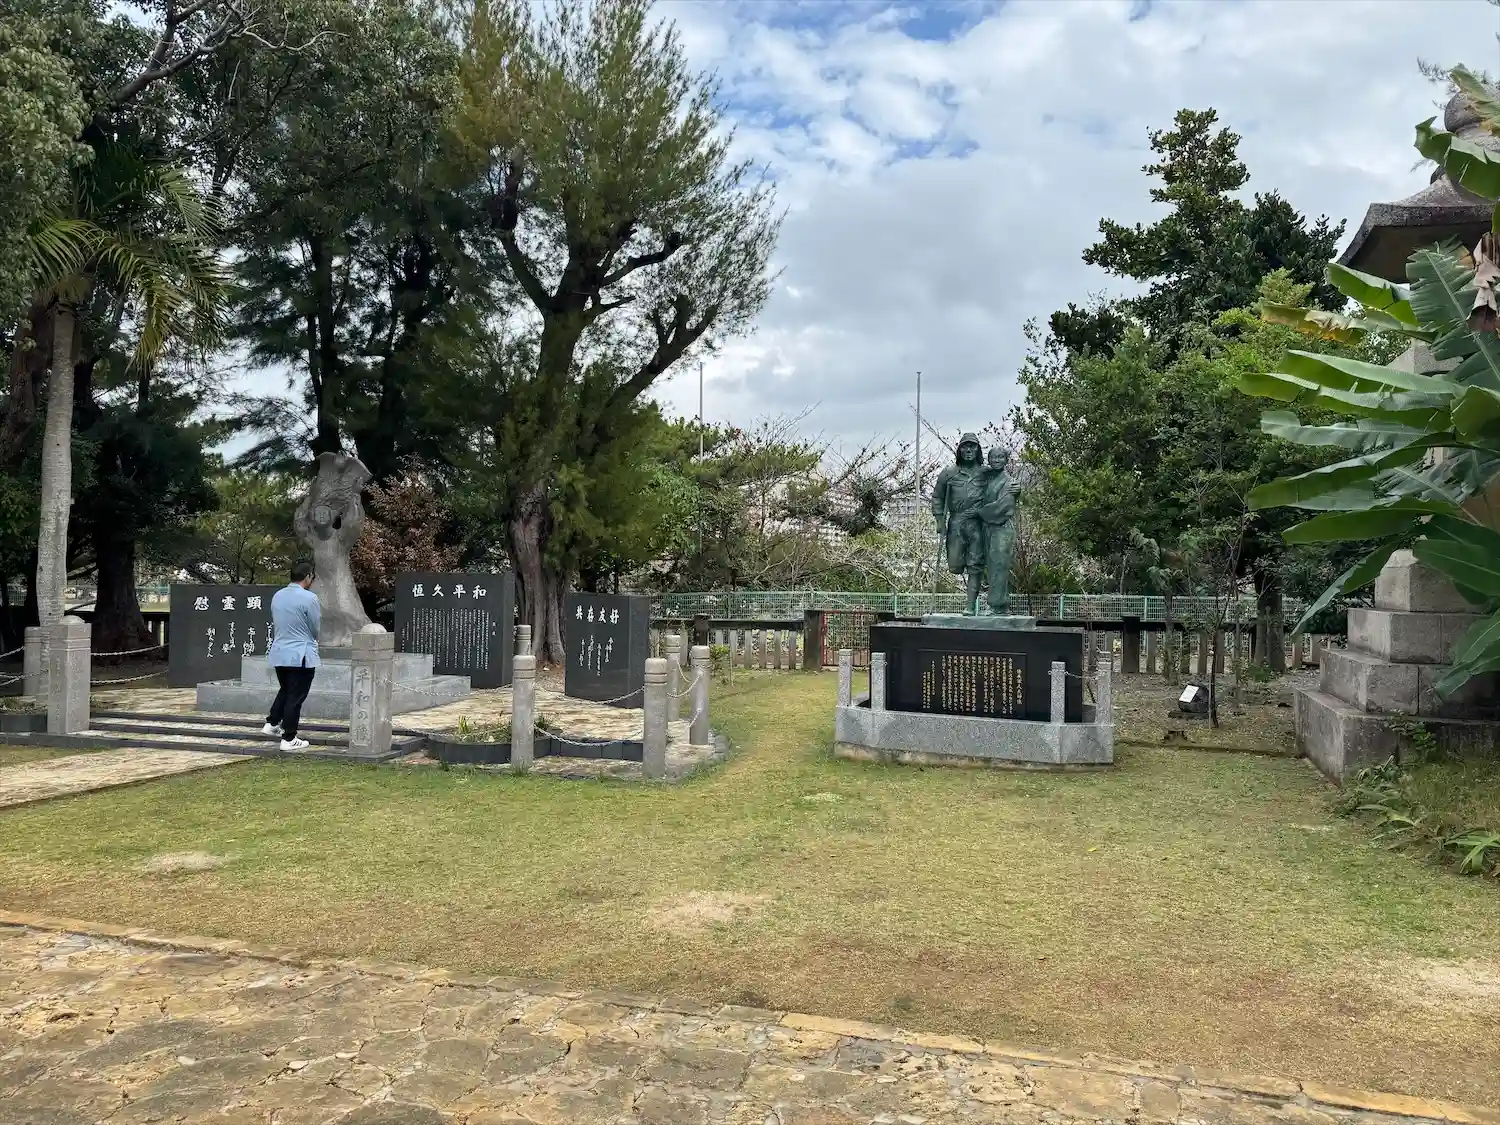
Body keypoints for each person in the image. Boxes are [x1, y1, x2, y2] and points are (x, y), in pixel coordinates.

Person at [264, 559, 321, 752]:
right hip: (301, 653)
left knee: (287, 690)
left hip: (280, 651)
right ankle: (289, 738)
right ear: (308, 577)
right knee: (295, 697)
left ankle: (272, 723)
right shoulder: (309, 598)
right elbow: (315, 627)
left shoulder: (278, 595)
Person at [930, 432, 989, 614]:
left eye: (972, 446)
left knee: (975, 566)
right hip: (956, 523)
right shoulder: (949, 473)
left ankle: (970, 606)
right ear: (959, 450)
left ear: (978, 450)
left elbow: (1002, 486)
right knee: (955, 566)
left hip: (978, 523)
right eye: (965, 446)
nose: (968, 450)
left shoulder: (986, 473)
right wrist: (939, 520)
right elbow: (937, 497)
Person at [977, 445, 1020, 614]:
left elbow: (1003, 507)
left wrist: (978, 512)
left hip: (1002, 527)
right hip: (987, 527)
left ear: (1006, 460)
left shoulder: (1010, 482)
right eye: (993, 457)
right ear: (988, 460)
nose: (996, 460)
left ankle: (997, 605)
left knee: (999, 564)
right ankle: (1000, 605)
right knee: (990, 565)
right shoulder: (986, 478)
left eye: (1000, 457)